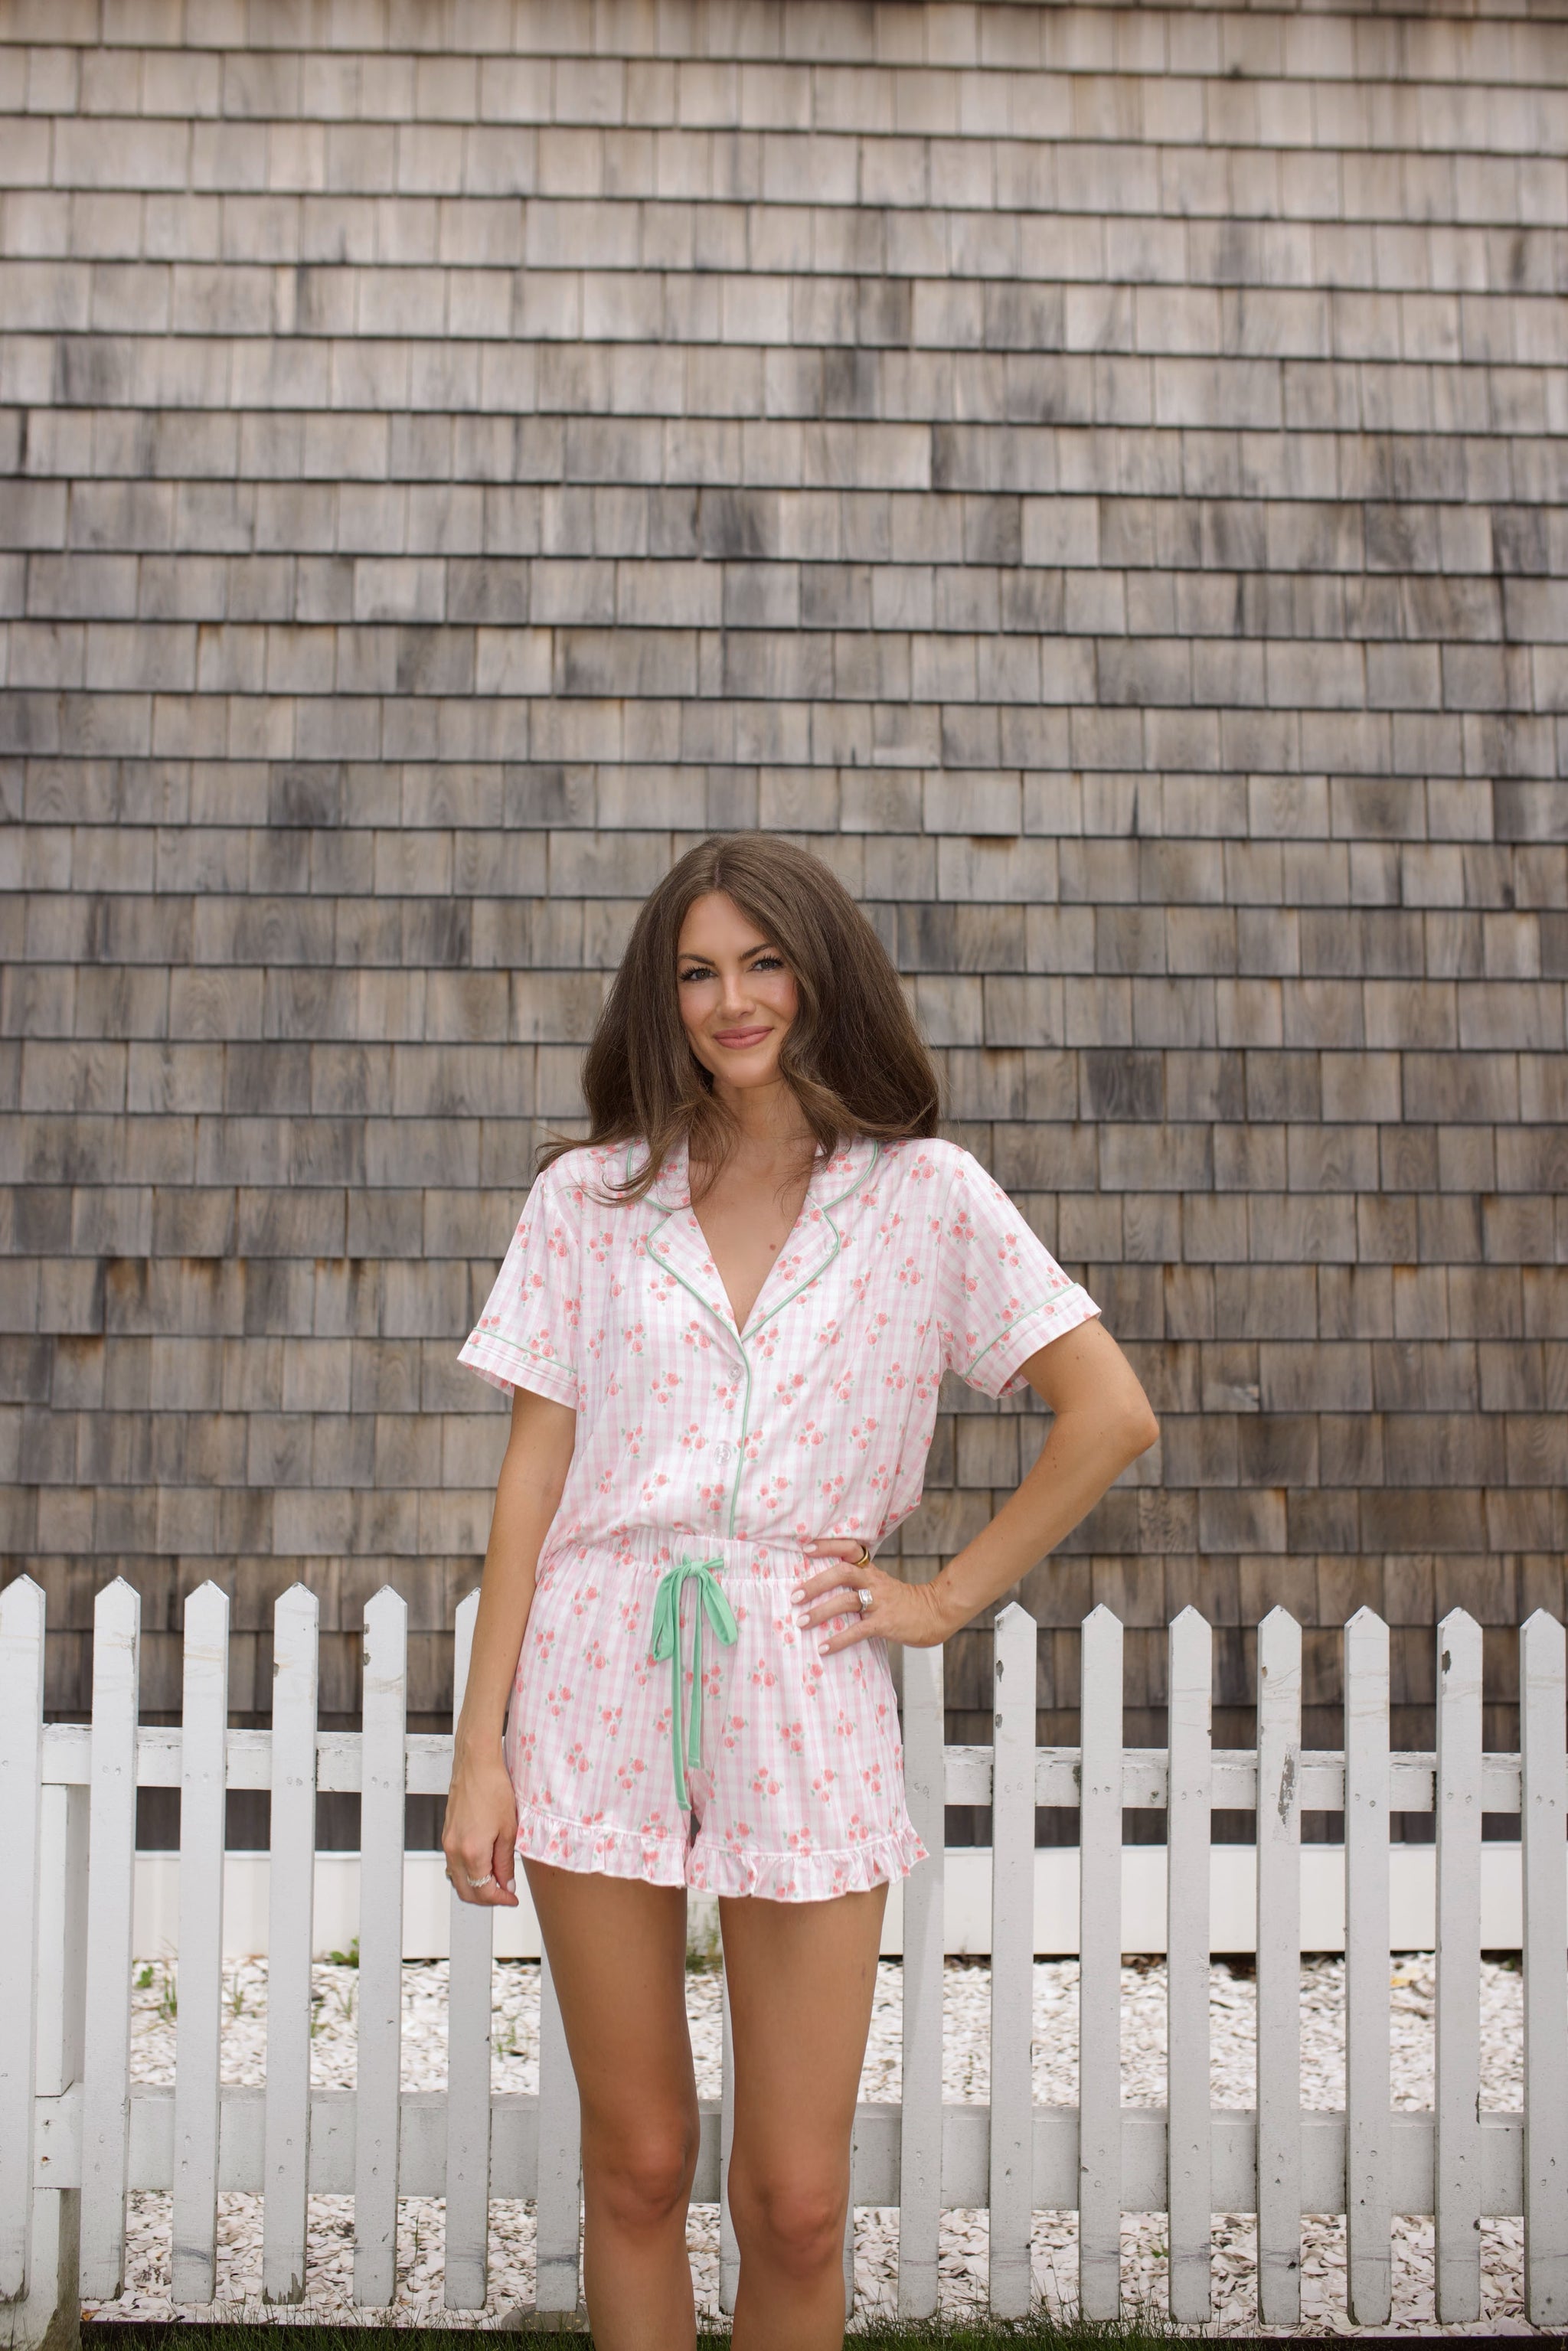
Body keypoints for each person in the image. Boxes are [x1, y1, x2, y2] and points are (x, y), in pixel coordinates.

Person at [442, 833, 1158, 2351]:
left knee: (795, 2200)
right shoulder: (587, 1200)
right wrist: (479, 1749)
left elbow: (1109, 1414)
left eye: (763, 962)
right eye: (697, 972)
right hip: (596, 1667)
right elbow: (531, 1478)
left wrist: (941, 1599)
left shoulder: (926, 1196)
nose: (733, 1001)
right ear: (662, 999)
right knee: (639, 2162)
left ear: (821, 973)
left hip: (804, 1667)